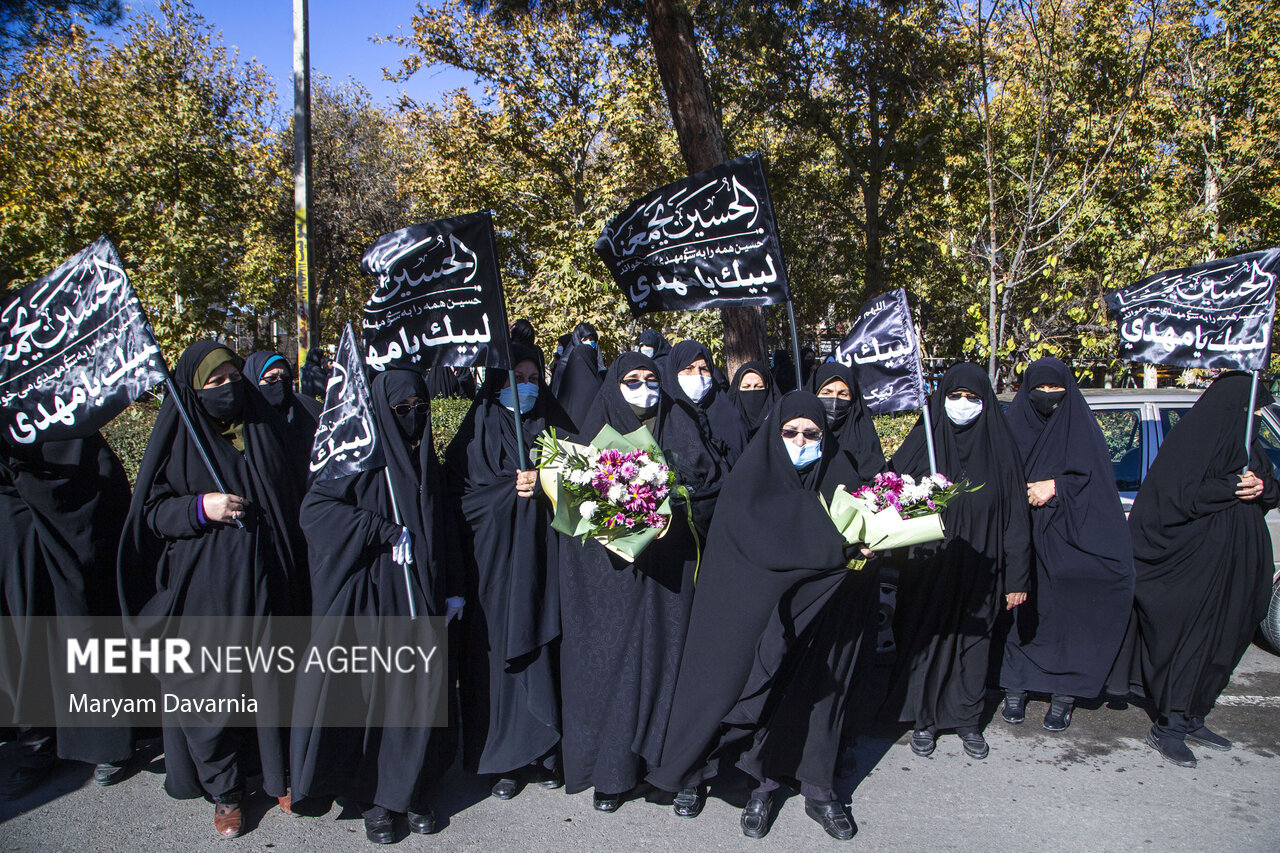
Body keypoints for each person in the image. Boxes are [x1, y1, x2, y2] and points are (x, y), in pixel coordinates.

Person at [647, 392, 877, 841]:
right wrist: (832, 544)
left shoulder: (841, 476)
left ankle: (817, 789)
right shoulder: (750, 478)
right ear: (774, 433)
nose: (801, 441)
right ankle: (719, 778)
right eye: (790, 432)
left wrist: (863, 544)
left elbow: (851, 533)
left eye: (812, 434)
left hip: (818, 618)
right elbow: (762, 535)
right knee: (725, 686)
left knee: (813, 699)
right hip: (749, 611)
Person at [118, 342, 305, 838]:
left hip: (269, 579)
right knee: (209, 690)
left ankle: (278, 776)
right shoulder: (180, 438)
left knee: (273, 683)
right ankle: (225, 793)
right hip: (207, 586)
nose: (227, 390)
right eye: (214, 383)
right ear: (193, 391)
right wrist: (202, 507)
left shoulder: (264, 427)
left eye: (232, 379)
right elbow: (151, 513)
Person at [291, 368, 463, 843]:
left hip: (423, 594)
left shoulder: (429, 458)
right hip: (376, 597)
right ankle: (376, 799)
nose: (412, 419)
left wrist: (454, 588)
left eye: (421, 410)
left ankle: (416, 790)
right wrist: (378, 528)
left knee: (423, 697)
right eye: (401, 412)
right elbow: (318, 510)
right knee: (380, 700)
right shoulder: (357, 458)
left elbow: (445, 523)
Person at [556, 352, 706, 813]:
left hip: (668, 579)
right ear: (612, 386)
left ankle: (675, 770)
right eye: (632, 380)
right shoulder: (594, 433)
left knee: (671, 667)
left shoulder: (680, 424)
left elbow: (705, 482)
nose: (644, 388)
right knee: (612, 672)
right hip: (610, 581)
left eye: (651, 379)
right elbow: (573, 507)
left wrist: (674, 507)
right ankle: (612, 773)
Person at [1122, 372, 1278, 768]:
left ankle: (1194, 717)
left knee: (1225, 643)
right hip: (1195, 569)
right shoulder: (1191, 444)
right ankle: (1169, 725)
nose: (1257, 418)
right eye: (1252, 411)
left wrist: (1261, 487)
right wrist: (1228, 487)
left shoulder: (1248, 449)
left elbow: (1273, 488)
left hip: (1238, 571)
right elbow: (1174, 498)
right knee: (1191, 643)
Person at [882, 363, 1031, 759]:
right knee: (925, 640)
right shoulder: (922, 443)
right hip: (928, 567)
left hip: (982, 570)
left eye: (972, 398)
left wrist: (1017, 578)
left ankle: (967, 720)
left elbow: (1017, 518)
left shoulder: (1001, 449)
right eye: (954, 396)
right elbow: (886, 494)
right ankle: (924, 720)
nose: (962, 404)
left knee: (973, 644)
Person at [446, 346, 574, 800]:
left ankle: (546, 751)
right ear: (495, 381)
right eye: (513, 377)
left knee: (546, 650)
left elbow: (583, 487)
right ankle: (501, 759)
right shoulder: (474, 429)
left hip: (544, 563)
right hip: (493, 572)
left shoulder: (555, 425)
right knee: (496, 661)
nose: (523, 385)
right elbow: (458, 501)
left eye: (532, 377)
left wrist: (544, 481)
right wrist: (507, 491)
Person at [999, 358, 1134, 731]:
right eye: (1038, 390)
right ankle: (1016, 686)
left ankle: (1064, 694)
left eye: (1054, 390)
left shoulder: (1081, 430)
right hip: (1021, 538)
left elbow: (1098, 485)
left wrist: (1057, 486)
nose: (1046, 397)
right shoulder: (1011, 426)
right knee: (1022, 614)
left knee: (1070, 615)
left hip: (1071, 539)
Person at [0, 433, 135, 798]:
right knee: (20, 622)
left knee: (83, 616)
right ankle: (37, 740)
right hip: (10, 494)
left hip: (73, 484)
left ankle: (107, 737)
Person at [663, 340, 748, 466]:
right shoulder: (663, 417)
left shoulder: (730, 416)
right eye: (688, 368)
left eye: (704, 369)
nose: (698, 375)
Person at [243, 350, 322, 474]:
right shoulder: (244, 424)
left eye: (285, 378)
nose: (280, 383)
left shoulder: (307, 411)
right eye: (271, 378)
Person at [807, 363, 886, 481]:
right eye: (826, 393)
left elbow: (875, 477)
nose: (834, 400)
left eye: (843, 394)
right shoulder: (799, 435)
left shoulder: (863, 435)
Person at [549, 323, 605, 427]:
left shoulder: (598, 364)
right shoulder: (565, 363)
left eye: (592, 339)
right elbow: (558, 393)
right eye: (585, 339)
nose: (589, 343)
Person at [729, 361, 779, 439]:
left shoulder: (779, 421)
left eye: (759, 386)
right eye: (746, 387)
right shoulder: (727, 422)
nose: (752, 390)